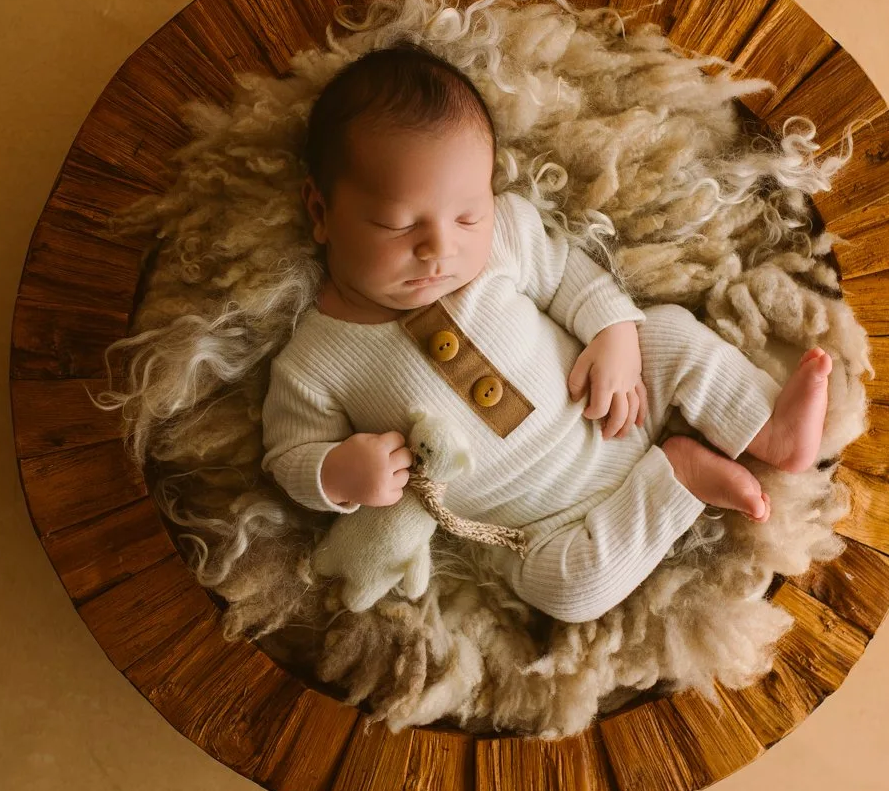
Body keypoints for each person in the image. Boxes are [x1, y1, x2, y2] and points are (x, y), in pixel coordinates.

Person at [260, 41, 833, 623]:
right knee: (568, 593)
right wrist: (335, 474)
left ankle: (770, 426)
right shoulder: (314, 361)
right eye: (398, 223)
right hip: (541, 524)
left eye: (466, 216)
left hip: (619, 399)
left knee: (664, 332)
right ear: (320, 211)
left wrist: (612, 334)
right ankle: (678, 478)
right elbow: (288, 455)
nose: (439, 249)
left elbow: (567, 277)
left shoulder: (505, 237)